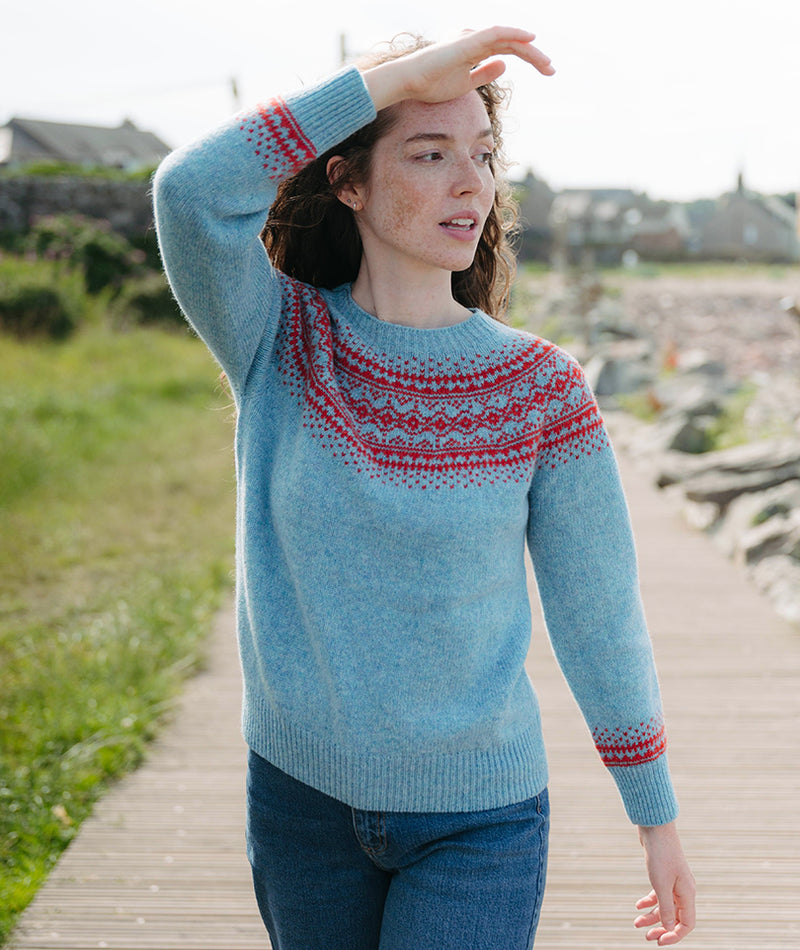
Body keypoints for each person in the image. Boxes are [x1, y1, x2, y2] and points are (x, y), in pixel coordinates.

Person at [153, 25, 695, 949]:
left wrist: (656, 816)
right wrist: (386, 81)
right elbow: (189, 192)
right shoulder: (276, 341)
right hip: (300, 803)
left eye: (482, 155)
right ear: (349, 180)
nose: (470, 183)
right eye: (430, 152)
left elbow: (597, 610)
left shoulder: (542, 387)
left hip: (480, 821)